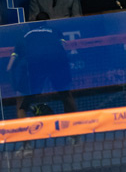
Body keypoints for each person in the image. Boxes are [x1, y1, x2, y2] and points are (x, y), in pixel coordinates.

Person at [7, 13, 78, 154]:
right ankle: (74, 136)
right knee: (66, 96)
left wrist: (14, 80)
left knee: (21, 103)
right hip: (57, 62)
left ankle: (26, 146)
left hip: (36, 64)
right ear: (46, 23)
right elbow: (67, 48)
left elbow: (11, 64)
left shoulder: (25, 35)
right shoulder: (55, 31)